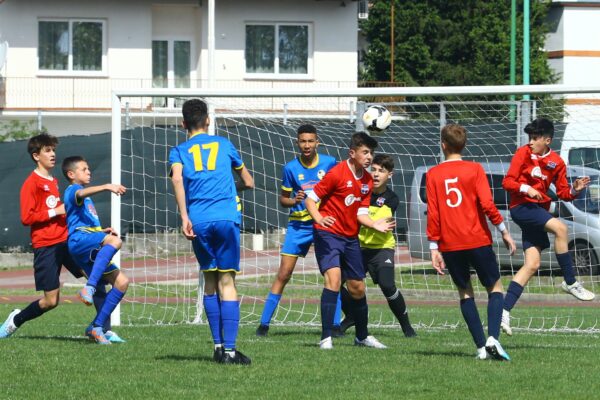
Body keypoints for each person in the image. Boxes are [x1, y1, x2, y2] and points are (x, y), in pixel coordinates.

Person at [0, 134, 123, 343]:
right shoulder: (32, 183)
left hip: (67, 241)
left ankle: (103, 327)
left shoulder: (56, 182)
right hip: (46, 245)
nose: (53, 154)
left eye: (53, 150)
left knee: (98, 277)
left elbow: (72, 215)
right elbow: (26, 217)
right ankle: (16, 319)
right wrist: (54, 212)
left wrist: (96, 231)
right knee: (51, 301)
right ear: (36, 156)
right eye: (47, 150)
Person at [169, 99, 254, 364]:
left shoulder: (178, 151)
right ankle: (230, 351)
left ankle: (217, 348)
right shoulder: (224, 144)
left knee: (209, 280)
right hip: (226, 218)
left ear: (183, 124)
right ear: (207, 120)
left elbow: (177, 179)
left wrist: (184, 217)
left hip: (199, 221)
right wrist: (230, 188)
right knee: (227, 281)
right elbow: (249, 182)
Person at [427, 123, 516, 360]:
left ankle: (480, 348)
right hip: (477, 239)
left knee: (465, 293)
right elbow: (487, 205)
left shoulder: (433, 174)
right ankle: (493, 339)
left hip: (450, 244)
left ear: (443, 145)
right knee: (495, 288)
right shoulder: (475, 169)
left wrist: (433, 247)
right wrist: (504, 230)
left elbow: (434, 212)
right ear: (464, 145)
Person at [501, 118, 595, 336]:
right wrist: (526, 189)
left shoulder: (557, 162)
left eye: (535, 138)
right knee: (561, 229)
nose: (531, 142)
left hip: (537, 211)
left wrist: (575, 189)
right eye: (529, 138)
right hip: (522, 207)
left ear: (547, 140)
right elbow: (508, 182)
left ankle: (503, 311)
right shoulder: (522, 154)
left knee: (532, 264)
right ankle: (570, 282)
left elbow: (563, 194)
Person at [305, 131, 394, 350]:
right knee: (334, 280)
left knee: (357, 288)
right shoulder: (337, 173)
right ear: (352, 153)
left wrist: (374, 224)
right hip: (328, 234)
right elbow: (310, 200)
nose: (369, 157)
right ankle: (326, 337)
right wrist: (319, 218)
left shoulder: (366, 180)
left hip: (350, 237)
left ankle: (362, 336)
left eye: (371, 153)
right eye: (365, 152)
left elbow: (361, 212)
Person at [256, 124, 340, 337]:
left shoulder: (330, 163)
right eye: (303, 141)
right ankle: (264, 324)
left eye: (310, 141)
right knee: (284, 274)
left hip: (323, 224)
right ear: (297, 142)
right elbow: (283, 200)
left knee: (333, 275)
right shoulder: (290, 168)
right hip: (298, 226)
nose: (307, 145)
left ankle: (336, 326)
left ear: (317, 142)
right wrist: (294, 199)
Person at [339, 154, 416, 337]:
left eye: (381, 171)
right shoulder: (360, 191)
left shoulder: (392, 198)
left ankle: (406, 326)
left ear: (390, 174)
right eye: (373, 169)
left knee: (387, 285)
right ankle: (351, 316)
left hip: (381, 249)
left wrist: (361, 216)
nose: (375, 174)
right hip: (358, 248)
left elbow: (381, 220)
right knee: (335, 282)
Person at [62, 156, 130, 345]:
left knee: (122, 282)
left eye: (88, 168)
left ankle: (97, 327)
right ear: (71, 174)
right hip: (79, 241)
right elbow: (79, 198)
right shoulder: (73, 190)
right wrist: (107, 186)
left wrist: (100, 231)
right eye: (84, 169)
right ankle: (89, 288)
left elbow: (79, 220)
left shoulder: (84, 195)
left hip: (88, 241)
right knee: (115, 242)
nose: (89, 171)